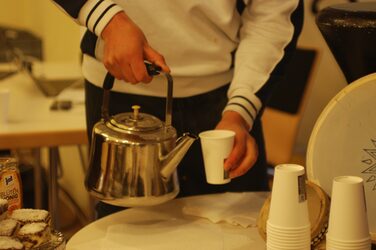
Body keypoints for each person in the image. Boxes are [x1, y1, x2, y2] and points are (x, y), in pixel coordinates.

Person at [52, 0, 303, 218]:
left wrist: (240, 111)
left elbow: (274, 11)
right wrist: (108, 20)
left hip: (223, 102)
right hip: (119, 90)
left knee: (238, 228)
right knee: (125, 234)